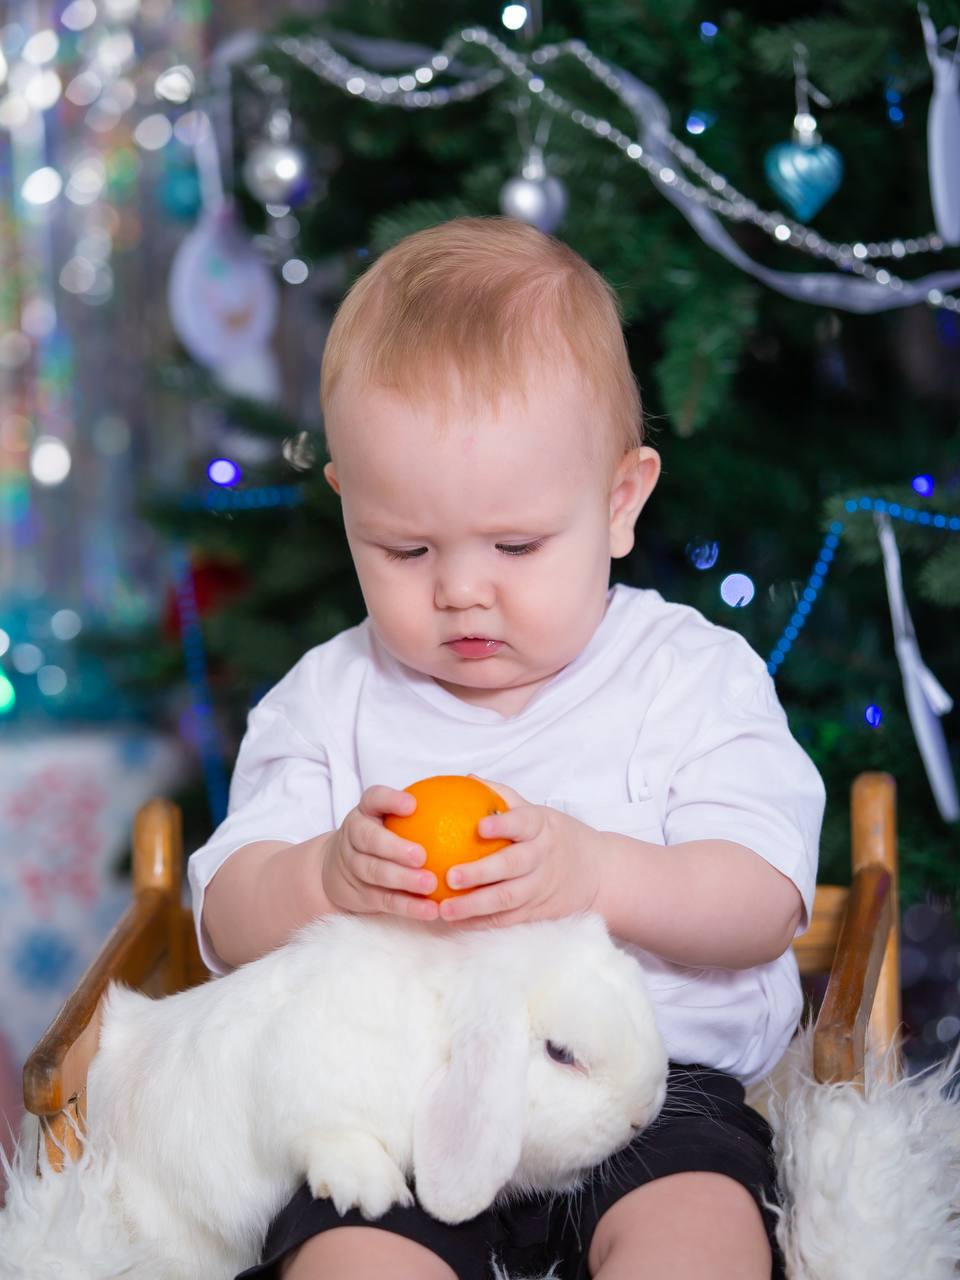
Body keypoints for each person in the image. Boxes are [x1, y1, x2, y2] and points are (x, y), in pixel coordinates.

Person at [188, 216, 825, 1280]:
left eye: (517, 544)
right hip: (395, 1108)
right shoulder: (329, 700)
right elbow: (224, 918)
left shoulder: (690, 676)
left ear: (621, 501)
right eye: (406, 547)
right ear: (349, 509)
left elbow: (764, 897)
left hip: (649, 1099)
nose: (461, 587)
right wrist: (322, 874)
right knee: (346, 1254)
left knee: (699, 1234)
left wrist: (598, 870)